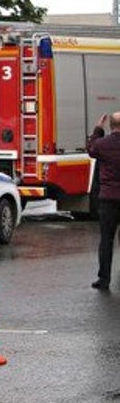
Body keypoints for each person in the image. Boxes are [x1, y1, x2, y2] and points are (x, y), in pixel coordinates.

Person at [86, 111, 120, 290]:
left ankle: (104, 279)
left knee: (106, 240)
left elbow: (90, 148)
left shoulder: (103, 144)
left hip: (108, 198)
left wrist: (98, 128)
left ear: (111, 126)